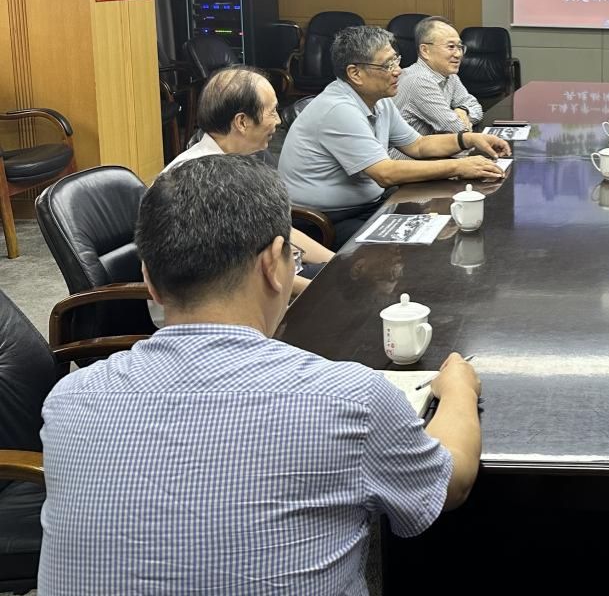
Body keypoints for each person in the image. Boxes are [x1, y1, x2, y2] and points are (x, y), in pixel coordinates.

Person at [38, 155, 483, 596]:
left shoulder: (69, 399)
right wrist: (457, 389)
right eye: (293, 257)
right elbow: (450, 483)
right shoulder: (349, 398)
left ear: (149, 280)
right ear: (273, 264)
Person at [279, 25, 509, 244]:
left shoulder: (379, 100)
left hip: (368, 204)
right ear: (355, 73)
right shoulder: (339, 109)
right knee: (417, 245)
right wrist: (458, 166)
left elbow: (418, 145)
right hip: (324, 221)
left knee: (441, 229)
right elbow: (385, 173)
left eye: (396, 60)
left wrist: (468, 139)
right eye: (387, 65)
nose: (398, 70)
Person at [163, 65, 334, 272]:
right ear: (242, 122)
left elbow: (280, 231)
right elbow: (234, 274)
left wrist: (338, 263)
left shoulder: (248, 159)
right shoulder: (198, 183)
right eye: (272, 112)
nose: (279, 120)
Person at [394, 16, 483, 137]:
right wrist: (462, 121)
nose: (458, 54)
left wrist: (463, 110)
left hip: (434, 147)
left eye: (460, 47)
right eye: (451, 47)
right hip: (405, 150)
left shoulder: (449, 75)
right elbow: (457, 128)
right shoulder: (419, 80)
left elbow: (476, 107)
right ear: (425, 51)